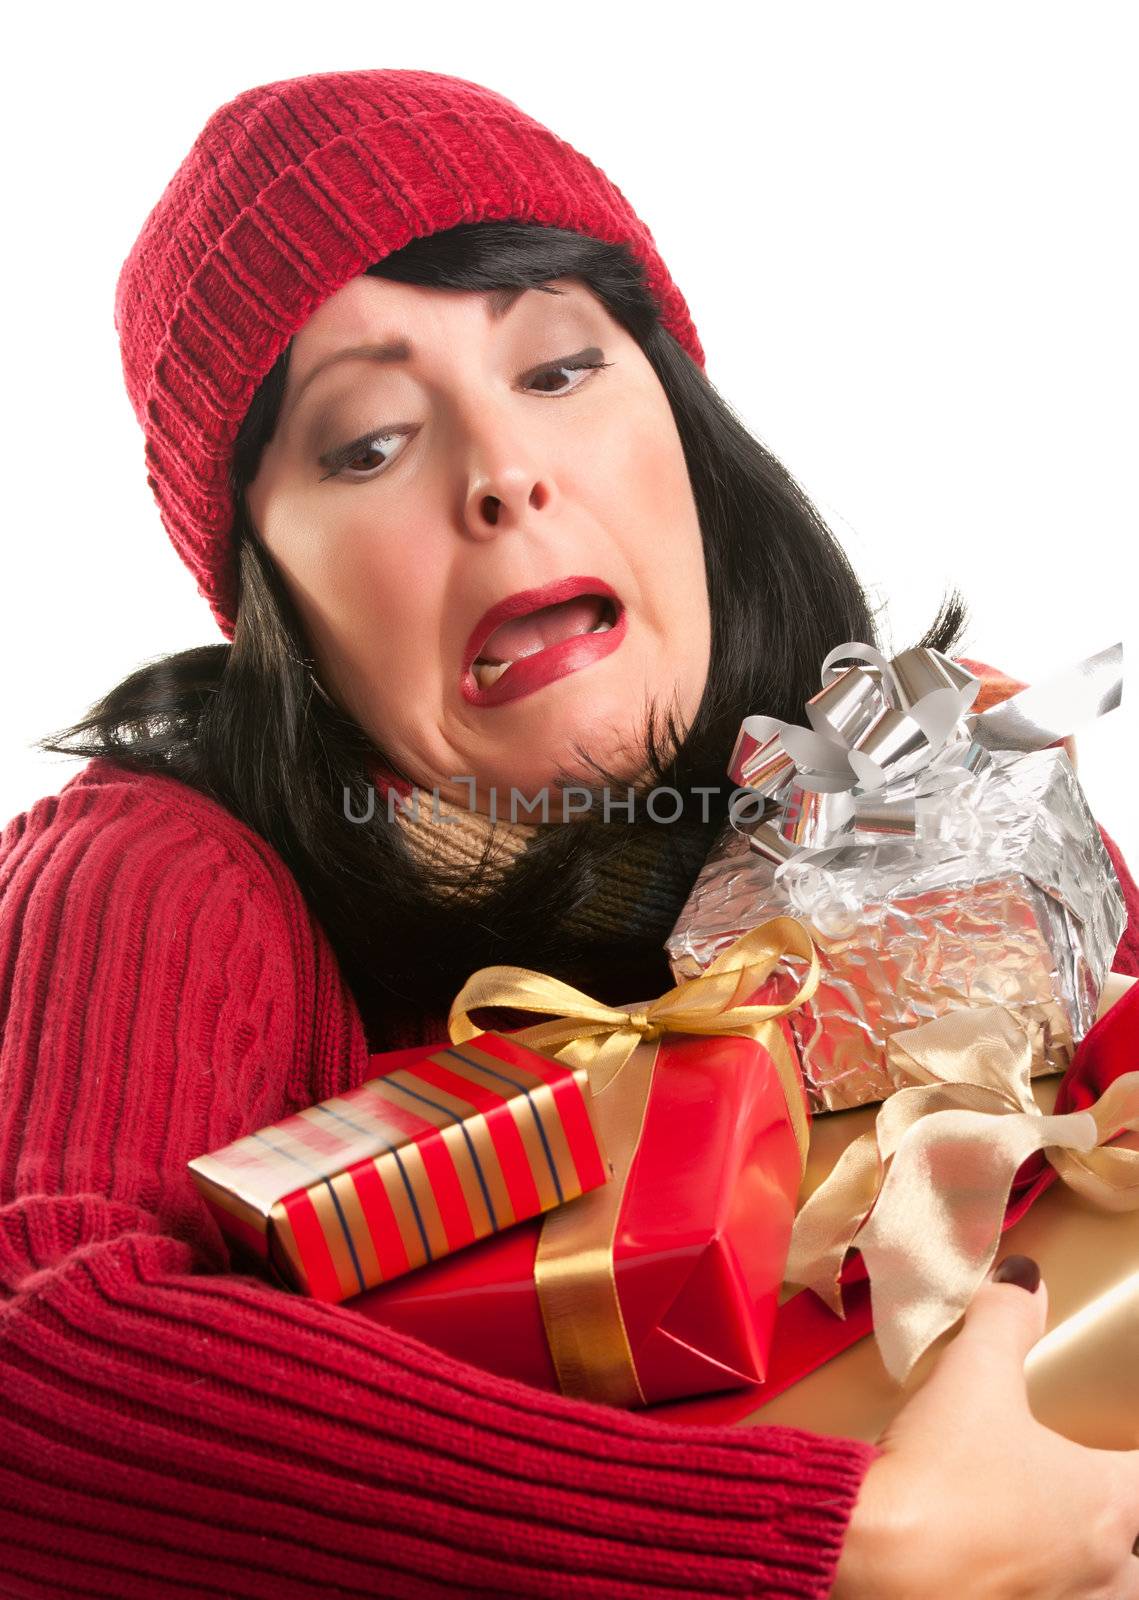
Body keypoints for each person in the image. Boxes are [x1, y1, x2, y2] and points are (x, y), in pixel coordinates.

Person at [1, 67, 1137, 1599]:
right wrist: (835, 1548)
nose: (503, 476)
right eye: (368, 443)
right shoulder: (159, 865)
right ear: (269, 592)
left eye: (556, 370)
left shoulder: (933, 788)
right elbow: (34, 1358)